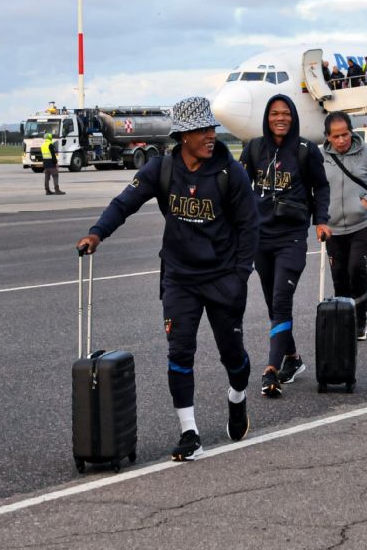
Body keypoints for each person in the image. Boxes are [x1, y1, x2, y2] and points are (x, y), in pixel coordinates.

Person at [76, 97, 258, 461]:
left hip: (223, 278)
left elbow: (250, 227)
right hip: (179, 278)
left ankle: (237, 396)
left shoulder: (230, 173)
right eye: (202, 130)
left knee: (232, 356)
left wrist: (240, 277)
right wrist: (98, 233)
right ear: (183, 136)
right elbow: (123, 203)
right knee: (179, 352)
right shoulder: (162, 170)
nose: (211, 136)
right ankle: (189, 432)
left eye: (212, 129)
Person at [240, 94, 331, 398]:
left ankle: (270, 370)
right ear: (267, 117)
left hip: (291, 237)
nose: (281, 118)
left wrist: (321, 220)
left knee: (281, 301)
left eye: (286, 113)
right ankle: (292, 359)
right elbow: (239, 189)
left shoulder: (306, 150)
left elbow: (321, 186)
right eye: (275, 113)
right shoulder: (254, 148)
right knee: (272, 304)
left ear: (293, 116)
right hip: (260, 238)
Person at [321, 111, 367, 340]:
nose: (341, 140)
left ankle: (360, 320)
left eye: (345, 134)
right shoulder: (322, 157)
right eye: (336, 136)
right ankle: (344, 319)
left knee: (355, 269)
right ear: (328, 137)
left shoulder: (366, 152)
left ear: (351, 132)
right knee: (339, 276)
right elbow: (316, 189)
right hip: (333, 229)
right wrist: (319, 218)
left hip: (363, 224)